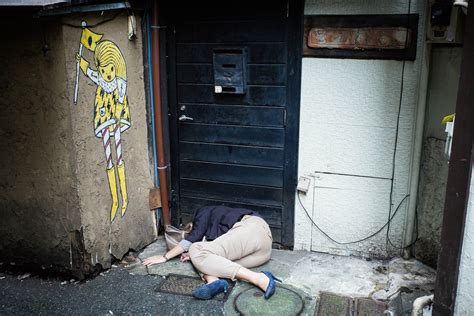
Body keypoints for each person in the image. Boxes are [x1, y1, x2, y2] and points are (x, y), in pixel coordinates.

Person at [143, 205, 281, 300]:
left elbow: (194, 238)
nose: (190, 231)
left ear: (191, 224)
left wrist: (165, 257)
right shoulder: (214, 235)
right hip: (263, 251)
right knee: (208, 261)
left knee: (196, 248)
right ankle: (214, 282)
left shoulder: (203, 212)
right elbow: (212, 253)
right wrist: (193, 256)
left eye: (189, 229)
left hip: (251, 228)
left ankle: (259, 278)